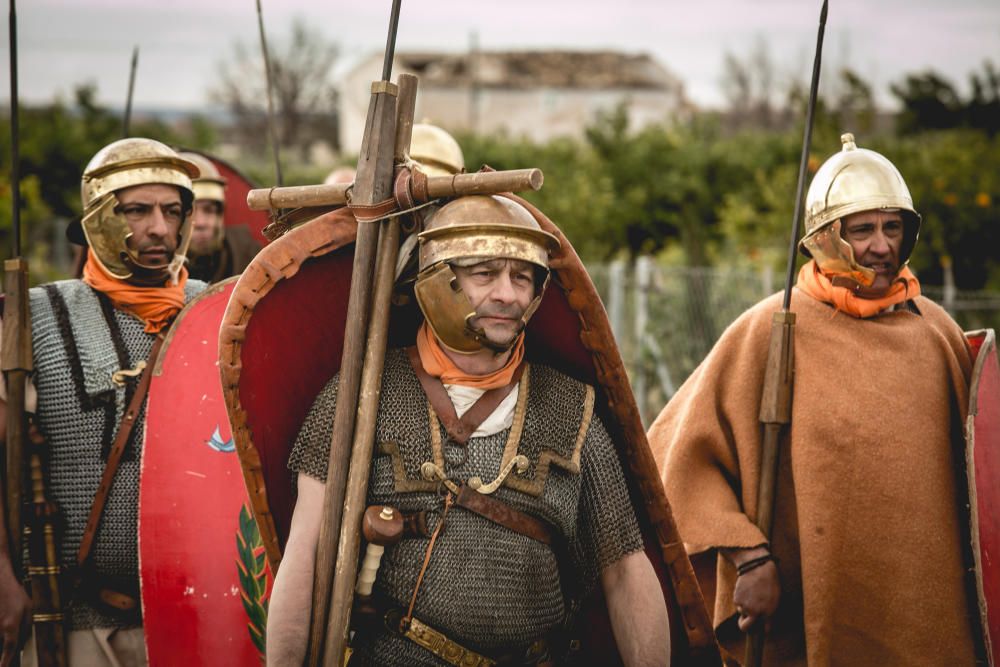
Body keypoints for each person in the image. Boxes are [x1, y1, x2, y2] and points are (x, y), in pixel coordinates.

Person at [266, 195, 670, 666]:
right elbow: (306, 552)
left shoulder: (570, 409)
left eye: (522, 277)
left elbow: (625, 570)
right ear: (439, 280)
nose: (508, 294)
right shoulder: (362, 395)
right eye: (484, 273)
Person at [648, 133, 979, 665]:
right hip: (808, 601)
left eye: (892, 227)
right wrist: (750, 559)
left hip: (927, 609)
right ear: (826, 236)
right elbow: (679, 455)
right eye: (862, 229)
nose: (881, 246)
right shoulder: (772, 329)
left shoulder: (935, 333)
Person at [0, 138, 207, 666]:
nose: (159, 228)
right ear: (96, 219)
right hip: (71, 620)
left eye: (173, 210)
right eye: (136, 210)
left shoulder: (217, 310)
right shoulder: (35, 317)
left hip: (196, 614)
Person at [178, 151, 262, 283]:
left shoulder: (249, 256)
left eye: (209, 210)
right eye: (188, 211)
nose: (200, 223)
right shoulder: (151, 271)